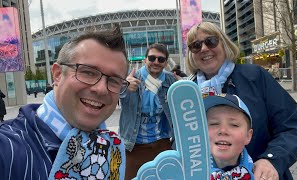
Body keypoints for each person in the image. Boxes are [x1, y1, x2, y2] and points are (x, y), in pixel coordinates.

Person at [0, 26, 129, 179]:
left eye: (114, 81)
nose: (101, 89)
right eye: (88, 72)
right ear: (58, 75)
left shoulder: (111, 149)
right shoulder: (8, 148)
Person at [186, 22, 297, 180]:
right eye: (195, 45)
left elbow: (291, 128)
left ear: (224, 44)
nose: (203, 48)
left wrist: (271, 160)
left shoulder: (255, 76)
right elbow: (179, 139)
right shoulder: (186, 91)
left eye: (211, 41)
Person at [119, 43, 177, 180]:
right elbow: (115, 94)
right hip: (134, 146)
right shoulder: (132, 79)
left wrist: (184, 85)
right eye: (152, 58)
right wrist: (124, 87)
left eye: (161, 59)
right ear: (145, 60)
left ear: (166, 63)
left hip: (162, 143)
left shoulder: (169, 79)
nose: (156, 62)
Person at [204, 94, 254, 180]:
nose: (223, 130)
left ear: (248, 136)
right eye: (214, 123)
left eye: (234, 125)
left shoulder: (260, 175)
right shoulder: (186, 174)